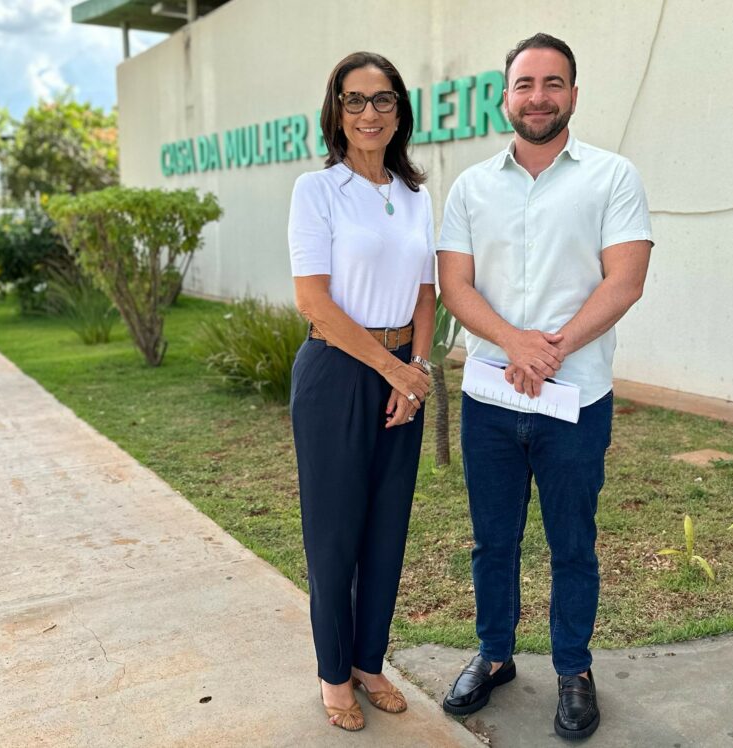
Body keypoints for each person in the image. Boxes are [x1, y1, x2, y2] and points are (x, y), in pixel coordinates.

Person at [437, 33, 654, 741]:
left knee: (573, 545)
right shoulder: (471, 186)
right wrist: (513, 342)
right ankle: (496, 656)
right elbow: (455, 284)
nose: (538, 97)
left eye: (552, 83)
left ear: (573, 95)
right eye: (525, 84)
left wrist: (551, 348)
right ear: (506, 96)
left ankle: (573, 669)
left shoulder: (613, 177)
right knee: (492, 542)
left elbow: (625, 280)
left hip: (577, 399)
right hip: (490, 404)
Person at [288, 51, 436, 732]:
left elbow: (427, 290)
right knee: (335, 532)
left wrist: (420, 368)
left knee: (386, 529)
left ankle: (370, 661)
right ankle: (332, 672)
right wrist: (393, 368)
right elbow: (314, 302)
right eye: (354, 100)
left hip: (404, 372)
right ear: (336, 112)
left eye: (382, 100)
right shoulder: (316, 192)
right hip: (338, 373)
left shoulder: (414, 194)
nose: (369, 113)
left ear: (399, 110)